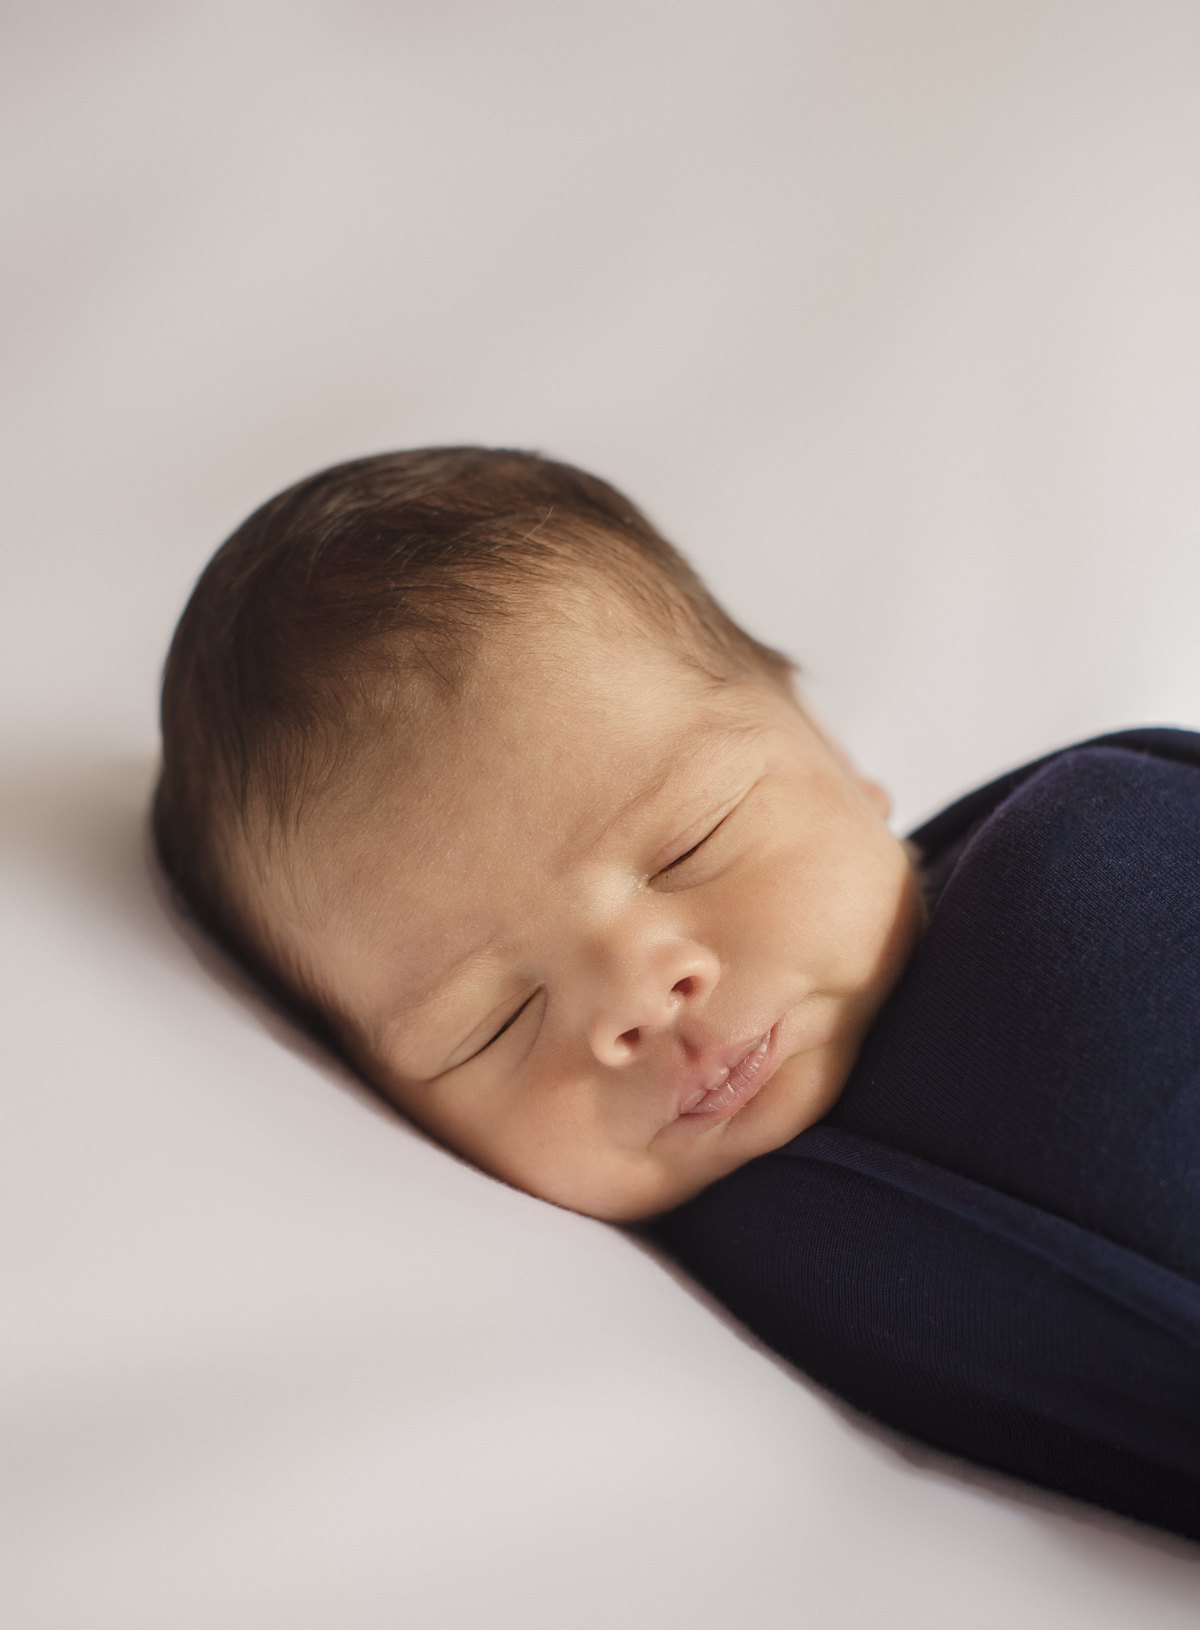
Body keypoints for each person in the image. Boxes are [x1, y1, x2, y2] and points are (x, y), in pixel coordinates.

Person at [155, 446, 1200, 1540]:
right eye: (492, 1024)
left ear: (839, 758)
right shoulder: (728, 1280)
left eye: (694, 841)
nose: (640, 995)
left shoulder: (1096, 832)